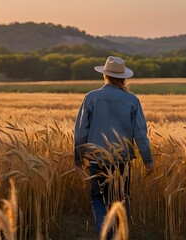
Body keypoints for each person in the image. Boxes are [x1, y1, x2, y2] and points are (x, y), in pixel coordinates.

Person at [74, 56, 154, 237]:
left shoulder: (91, 97)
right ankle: (119, 234)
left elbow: (80, 132)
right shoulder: (132, 100)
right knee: (121, 198)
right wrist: (148, 160)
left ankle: (106, 234)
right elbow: (141, 134)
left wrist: (78, 159)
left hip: (96, 158)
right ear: (124, 78)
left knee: (97, 197)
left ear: (105, 76)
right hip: (122, 160)